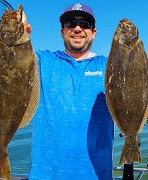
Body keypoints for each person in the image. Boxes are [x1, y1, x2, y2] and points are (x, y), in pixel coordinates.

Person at [28, 3, 114, 180]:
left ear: (94, 32)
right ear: (62, 31)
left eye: (85, 24)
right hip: (46, 173)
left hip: (97, 173)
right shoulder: (42, 61)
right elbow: (13, 59)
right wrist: (17, 35)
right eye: (70, 23)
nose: (77, 28)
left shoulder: (110, 66)